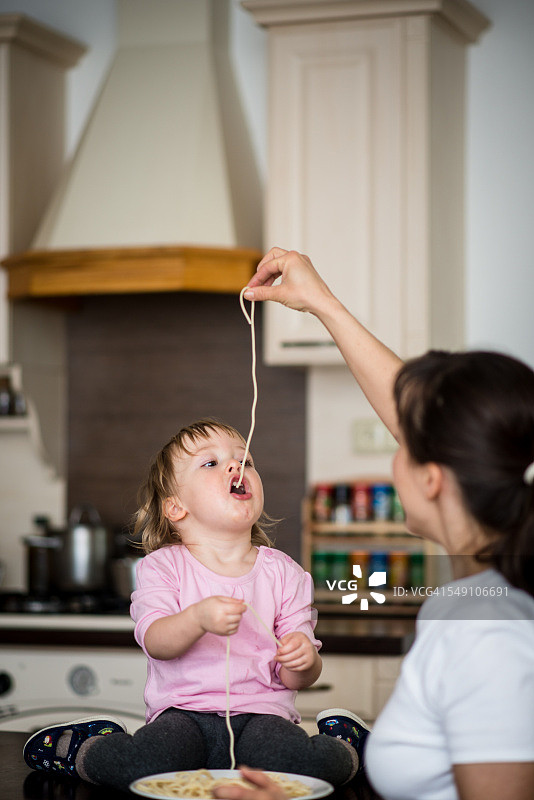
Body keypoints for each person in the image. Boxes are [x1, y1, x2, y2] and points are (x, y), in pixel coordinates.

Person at [227, 247, 534, 800]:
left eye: (402, 442)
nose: (394, 449)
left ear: (432, 479)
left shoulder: (487, 635)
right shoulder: (471, 602)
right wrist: (323, 304)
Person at [23, 418, 363, 791]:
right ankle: (81, 748)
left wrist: (304, 661)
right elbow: (156, 641)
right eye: (211, 462)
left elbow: (297, 677)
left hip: (262, 717)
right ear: (176, 507)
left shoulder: (286, 573)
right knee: (144, 766)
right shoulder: (162, 568)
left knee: (302, 768)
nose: (235, 467)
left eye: (245, 461)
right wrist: (198, 618)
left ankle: (350, 746)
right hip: (183, 716)